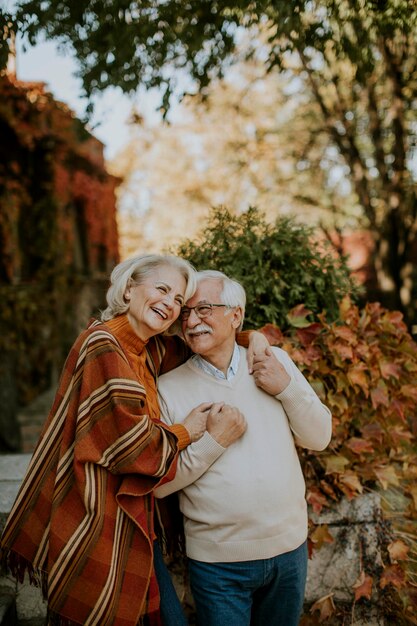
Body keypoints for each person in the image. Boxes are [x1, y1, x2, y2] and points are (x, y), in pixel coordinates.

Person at [155, 270, 332, 626]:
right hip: (218, 566)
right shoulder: (168, 388)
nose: (192, 321)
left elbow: (320, 438)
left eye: (204, 308)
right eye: (185, 313)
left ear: (236, 315)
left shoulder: (273, 362)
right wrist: (214, 441)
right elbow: (159, 483)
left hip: (289, 552)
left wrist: (286, 389)